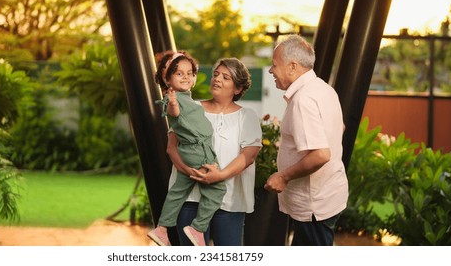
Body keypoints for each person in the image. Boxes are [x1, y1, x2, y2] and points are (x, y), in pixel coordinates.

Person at [167, 57, 262, 246]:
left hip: (229, 202)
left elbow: (249, 155)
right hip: (190, 199)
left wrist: (218, 176)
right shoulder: (190, 108)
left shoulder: (247, 116)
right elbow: (172, 148)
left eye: (226, 77)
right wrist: (191, 173)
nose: (217, 79)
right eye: (216, 74)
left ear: (237, 89)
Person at [264, 34, 349, 246]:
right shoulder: (324, 89)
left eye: (275, 65)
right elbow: (340, 128)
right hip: (326, 196)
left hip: (314, 205)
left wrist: (283, 176)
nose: (270, 71)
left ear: (292, 66)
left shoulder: (303, 99)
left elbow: (321, 154)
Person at [148, 51, 224, 246]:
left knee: (177, 192)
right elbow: (174, 112)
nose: (186, 77)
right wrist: (172, 102)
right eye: (179, 73)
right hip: (198, 152)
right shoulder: (175, 98)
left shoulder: (186, 97)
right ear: (167, 79)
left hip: (189, 153)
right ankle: (198, 228)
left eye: (189, 73)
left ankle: (162, 229)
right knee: (217, 189)